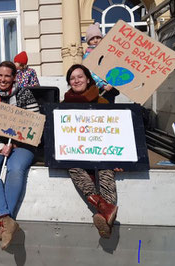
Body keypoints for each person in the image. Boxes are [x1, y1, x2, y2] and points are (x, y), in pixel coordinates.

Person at [0, 61, 39, 250]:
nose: (3, 79)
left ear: (14, 77)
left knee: (15, 169)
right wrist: (0, 146)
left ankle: (4, 225)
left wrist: (16, 142)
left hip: (24, 144)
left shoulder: (25, 94)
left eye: (7, 76)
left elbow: (35, 125)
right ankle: (5, 219)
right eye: (0, 75)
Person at [64, 64, 120, 238]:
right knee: (73, 167)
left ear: (88, 79)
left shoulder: (102, 102)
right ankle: (106, 209)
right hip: (77, 154)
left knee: (106, 168)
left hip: (101, 153)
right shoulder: (63, 106)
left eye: (80, 77)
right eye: (72, 78)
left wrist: (120, 157)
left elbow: (115, 133)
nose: (76, 80)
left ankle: (104, 214)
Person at [83, 23, 119, 103]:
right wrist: (102, 84)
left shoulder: (106, 51)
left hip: (109, 86)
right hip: (98, 88)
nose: (95, 40)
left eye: (98, 37)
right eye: (92, 39)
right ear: (88, 42)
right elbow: (90, 72)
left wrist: (112, 81)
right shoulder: (89, 53)